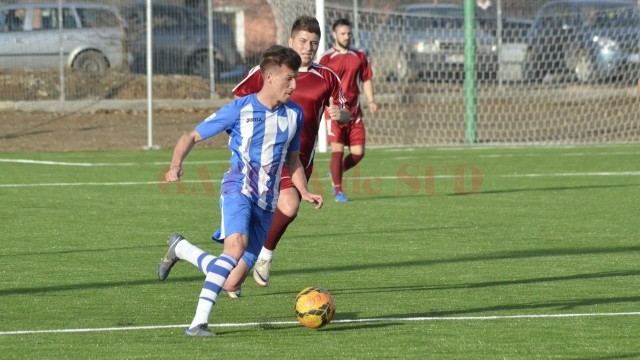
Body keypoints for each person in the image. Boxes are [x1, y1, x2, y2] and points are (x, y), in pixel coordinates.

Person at [157, 45, 323, 336]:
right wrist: (175, 164)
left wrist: (304, 191)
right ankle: (198, 323)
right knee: (234, 247)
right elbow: (191, 135)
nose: (294, 84)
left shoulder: (294, 115)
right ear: (269, 77)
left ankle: (180, 248)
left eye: (295, 77)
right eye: (288, 78)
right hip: (239, 187)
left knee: (232, 282)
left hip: (267, 203)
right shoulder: (240, 109)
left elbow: (294, 158)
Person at [227, 15, 350, 291]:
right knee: (290, 204)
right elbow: (239, 97)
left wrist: (339, 114)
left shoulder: (326, 76)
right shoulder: (269, 71)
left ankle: (226, 267)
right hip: (269, 157)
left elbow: (345, 111)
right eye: (303, 41)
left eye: (314, 43)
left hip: (301, 160)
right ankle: (264, 256)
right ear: (291, 41)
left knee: (265, 219)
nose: (308, 47)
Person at [318, 18, 377, 203]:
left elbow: (366, 79)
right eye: (342, 33)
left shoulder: (359, 55)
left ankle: (336, 171)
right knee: (337, 150)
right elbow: (320, 84)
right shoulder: (326, 58)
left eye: (349, 33)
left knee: (359, 153)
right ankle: (338, 191)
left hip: (354, 113)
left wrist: (371, 100)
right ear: (334, 35)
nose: (346, 36)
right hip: (334, 112)